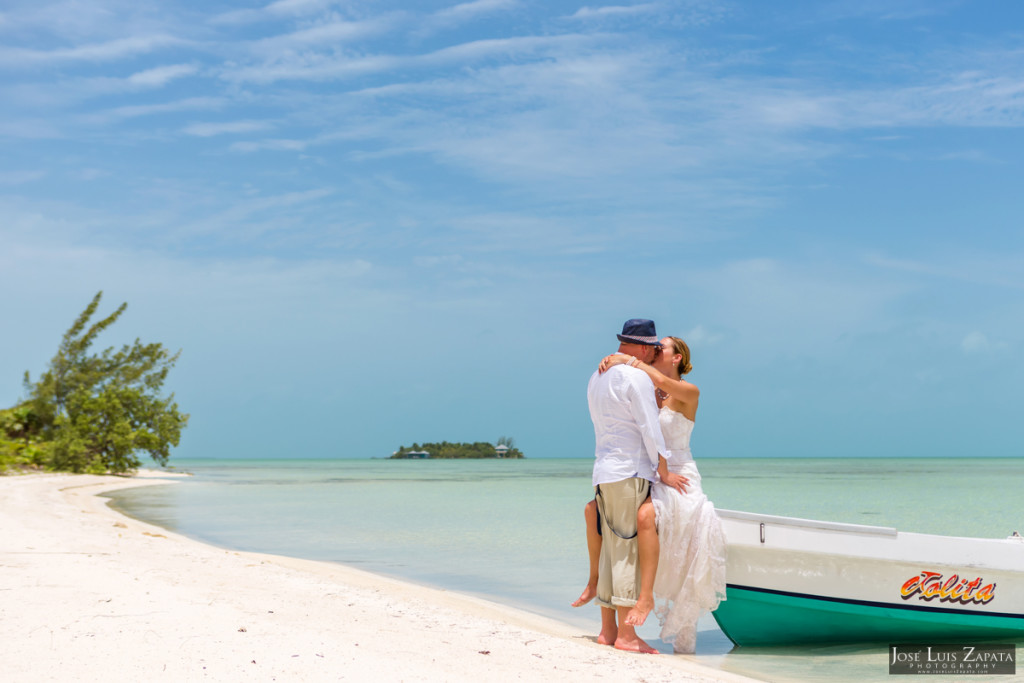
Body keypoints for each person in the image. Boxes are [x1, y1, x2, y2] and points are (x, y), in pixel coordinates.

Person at [596, 335, 727, 654]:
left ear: (677, 357)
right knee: (601, 515)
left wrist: (625, 359)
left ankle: (647, 599)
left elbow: (650, 377)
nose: (655, 352)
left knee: (645, 516)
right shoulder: (650, 390)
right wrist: (616, 364)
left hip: (682, 474)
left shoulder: (689, 391)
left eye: (661, 349)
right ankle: (609, 609)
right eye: (652, 349)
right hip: (656, 471)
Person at [583, 319, 687, 654]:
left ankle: (607, 631)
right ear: (644, 348)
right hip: (630, 470)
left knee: (612, 549)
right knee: (627, 552)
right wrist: (664, 470)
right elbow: (648, 427)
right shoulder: (635, 376)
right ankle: (627, 637)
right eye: (654, 348)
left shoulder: (596, 376)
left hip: (603, 470)